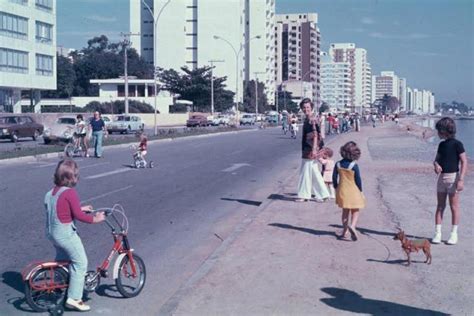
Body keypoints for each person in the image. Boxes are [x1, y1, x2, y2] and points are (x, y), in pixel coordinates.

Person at [44, 159, 105, 311]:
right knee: (80, 262)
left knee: (62, 260)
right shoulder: (70, 193)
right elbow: (78, 215)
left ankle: (58, 286)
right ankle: (74, 298)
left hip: (52, 233)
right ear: (71, 178)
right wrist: (95, 219)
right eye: (76, 176)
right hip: (65, 234)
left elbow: (60, 210)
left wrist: (80, 208)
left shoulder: (50, 193)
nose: (78, 179)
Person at [432, 117, 467, 245]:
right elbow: (436, 160)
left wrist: (461, 180)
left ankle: (453, 234)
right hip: (442, 178)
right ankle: (437, 233)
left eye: (438, 131)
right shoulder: (441, 145)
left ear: (444, 131)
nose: (437, 133)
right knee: (440, 206)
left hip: (453, 178)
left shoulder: (457, 144)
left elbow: (464, 161)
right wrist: (436, 165)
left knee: (454, 206)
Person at [295, 98, 330, 202]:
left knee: (305, 172)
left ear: (312, 108)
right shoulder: (309, 118)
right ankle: (323, 194)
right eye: (304, 107)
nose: (306, 109)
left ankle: (304, 195)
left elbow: (315, 135)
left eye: (308, 107)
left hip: (309, 149)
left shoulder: (311, 119)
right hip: (309, 148)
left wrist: (314, 149)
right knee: (314, 171)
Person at [333, 141, 365, 241]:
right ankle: (353, 226)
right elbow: (358, 180)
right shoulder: (354, 165)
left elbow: (334, 177)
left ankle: (344, 231)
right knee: (355, 210)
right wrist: (361, 191)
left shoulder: (338, 164)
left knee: (345, 212)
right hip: (354, 190)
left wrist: (336, 187)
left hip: (342, 190)